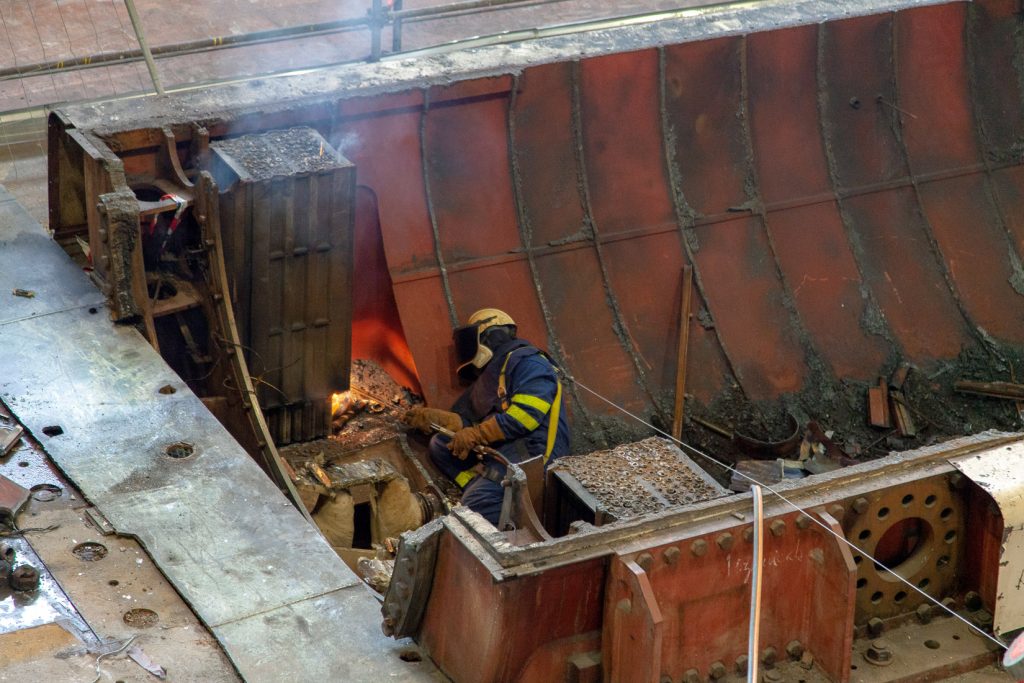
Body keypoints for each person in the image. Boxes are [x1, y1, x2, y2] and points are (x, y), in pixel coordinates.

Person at [403, 308, 570, 525]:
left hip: (533, 457)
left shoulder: (529, 362)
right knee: (440, 444)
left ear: (488, 336)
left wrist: (476, 434)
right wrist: (438, 419)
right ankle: (480, 483)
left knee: (474, 506)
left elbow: (525, 417)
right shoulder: (495, 374)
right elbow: (474, 420)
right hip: (505, 452)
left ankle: (489, 500)